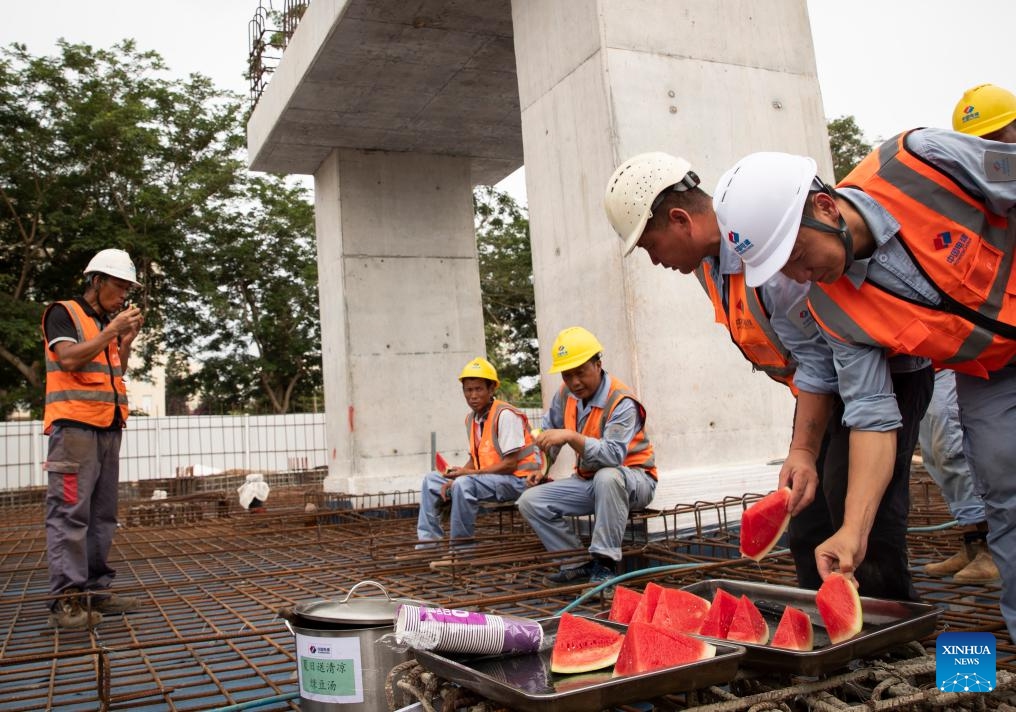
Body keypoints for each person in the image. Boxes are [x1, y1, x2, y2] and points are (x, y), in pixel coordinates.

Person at [711, 129, 1016, 639]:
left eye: (794, 252)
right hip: (992, 368)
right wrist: (853, 531)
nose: (797, 273)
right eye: (780, 266)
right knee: (1006, 494)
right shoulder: (832, 307)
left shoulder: (921, 164)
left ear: (826, 208)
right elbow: (872, 416)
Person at [603, 153, 930, 601]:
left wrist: (807, 448)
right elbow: (812, 364)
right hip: (823, 386)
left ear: (680, 220)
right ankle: (826, 625)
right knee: (808, 522)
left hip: (882, 376)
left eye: (650, 246)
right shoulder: (709, 264)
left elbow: (830, 354)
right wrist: (803, 451)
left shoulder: (772, 261)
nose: (654, 261)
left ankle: (894, 631)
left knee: (857, 508)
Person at [919, 83, 1016, 583]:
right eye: (985, 142)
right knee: (944, 440)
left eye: (1002, 136)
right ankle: (980, 544)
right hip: (978, 348)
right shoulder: (970, 196)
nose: (996, 151)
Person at [42, 248, 144, 629]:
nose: (123, 296)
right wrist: (112, 331)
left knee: (102, 515)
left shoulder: (106, 323)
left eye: (127, 289)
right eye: (118, 286)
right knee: (70, 514)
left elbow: (113, 369)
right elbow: (69, 359)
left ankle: (95, 591)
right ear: (97, 281)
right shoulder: (64, 313)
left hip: (107, 427)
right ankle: (66, 602)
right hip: (74, 430)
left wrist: (125, 341)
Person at [516, 326, 657, 586]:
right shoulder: (565, 394)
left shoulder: (622, 401)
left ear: (598, 364)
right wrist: (543, 468)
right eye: (567, 375)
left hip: (635, 481)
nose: (574, 382)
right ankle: (577, 565)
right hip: (589, 480)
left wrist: (570, 436)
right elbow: (549, 433)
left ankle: (604, 564)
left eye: (580, 373)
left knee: (608, 476)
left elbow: (613, 456)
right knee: (529, 501)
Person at [416, 357, 543, 548]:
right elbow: (475, 459)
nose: (473, 395)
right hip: (487, 478)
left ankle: (460, 550)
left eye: (478, 389)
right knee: (431, 480)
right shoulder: (471, 419)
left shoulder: (505, 415)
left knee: (464, 483)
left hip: (518, 480)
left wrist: (466, 475)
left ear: (491, 389)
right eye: (468, 390)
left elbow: (510, 465)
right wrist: (455, 477)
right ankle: (428, 544)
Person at [919, 370, 997, 582]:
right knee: (935, 457)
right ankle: (972, 543)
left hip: (951, 364)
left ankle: (992, 550)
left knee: (953, 450)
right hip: (926, 366)